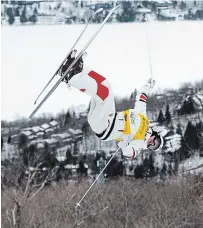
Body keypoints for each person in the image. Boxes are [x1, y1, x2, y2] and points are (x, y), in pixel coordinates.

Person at [60, 50, 164, 159]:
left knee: (107, 94)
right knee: (106, 85)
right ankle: (79, 70)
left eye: (153, 147)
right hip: (105, 117)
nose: (151, 144)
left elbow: (128, 153)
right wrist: (148, 85)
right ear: (155, 135)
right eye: (155, 142)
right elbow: (141, 98)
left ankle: (71, 77)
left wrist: (126, 145)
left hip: (105, 126)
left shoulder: (140, 142)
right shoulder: (144, 119)